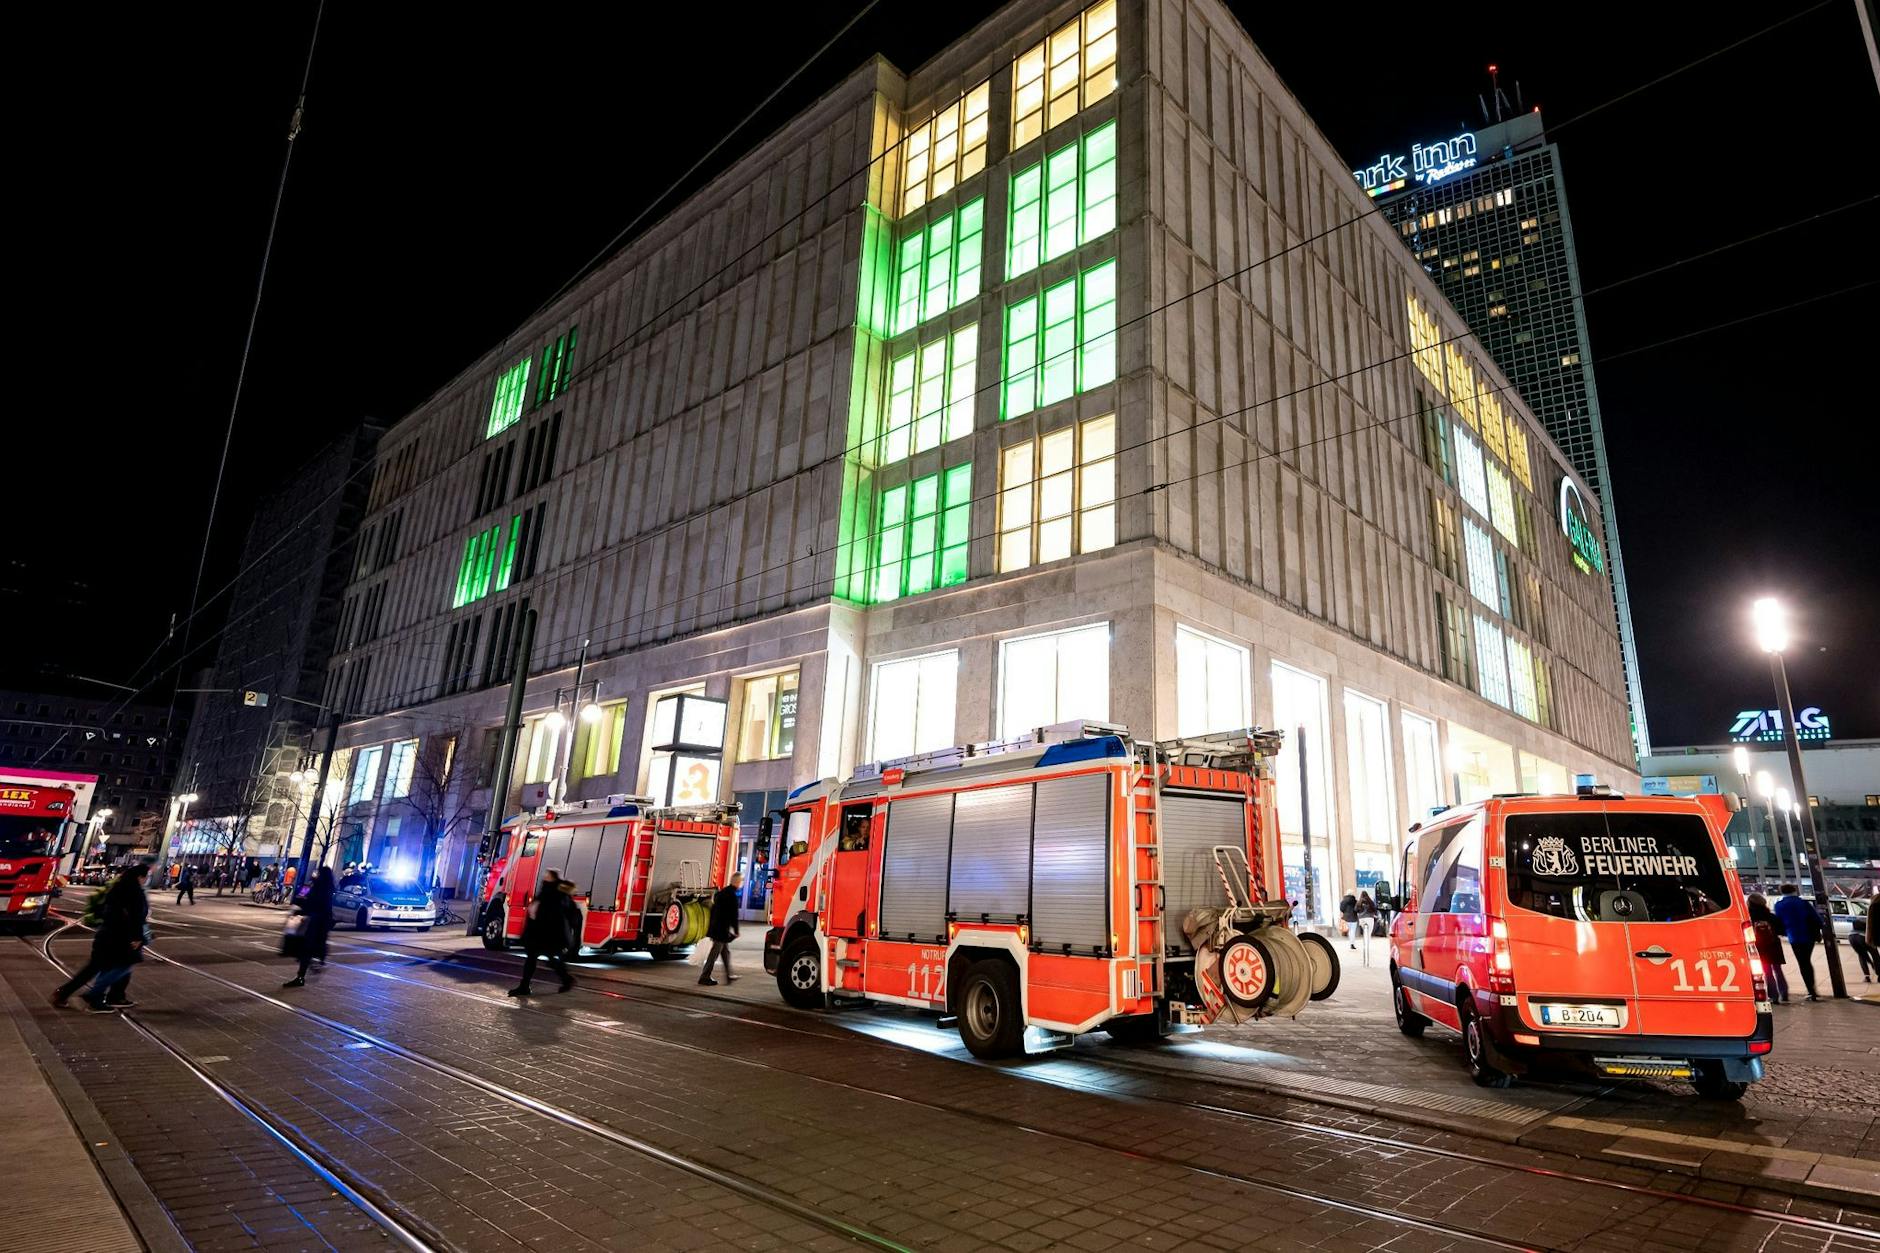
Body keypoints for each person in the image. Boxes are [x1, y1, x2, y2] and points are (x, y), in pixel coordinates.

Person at [53, 863, 150, 1012]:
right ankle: (94, 996)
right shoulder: (134, 891)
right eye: (145, 877)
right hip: (120, 936)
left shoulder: (116, 888)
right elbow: (137, 916)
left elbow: (100, 910)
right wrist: (137, 936)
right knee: (120, 965)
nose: (146, 880)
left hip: (106, 934)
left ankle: (112, 996)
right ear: (139, 877)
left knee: (99, 967)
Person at [510, 871, 577, 996]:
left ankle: (566, 979)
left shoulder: (555, 893)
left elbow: (556, 915)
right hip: (539, 933)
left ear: (553, 878)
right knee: (538, 958)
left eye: (548, 875)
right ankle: (565, 979)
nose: (545, 877)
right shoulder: (546, 891)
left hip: (546, 934)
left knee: (544, 958)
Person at [282, 866, 335, 988]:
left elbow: (302, 900)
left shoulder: (315, 886)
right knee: (309, 948)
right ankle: (307, 969)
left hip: (311, 923)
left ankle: (303, 974)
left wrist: (301, 908)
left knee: (303, 948)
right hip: (319, 924)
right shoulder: (328, 889)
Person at [1771, 884, 1824, 1002]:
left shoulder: (1779, 905)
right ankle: (1812, 990)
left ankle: (1811, 990)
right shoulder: (1803, 903)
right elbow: (1817, 919)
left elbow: (1779, 922)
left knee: (1802, 963)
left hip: (1794, 937)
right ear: (1794, 890)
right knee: (1807, 962)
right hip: (1808, 936)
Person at [699, 872, 744, 986]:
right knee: (714, 953)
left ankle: (729, 975)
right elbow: (734, 915)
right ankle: (704, 976)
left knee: (725, 952)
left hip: (716, 927)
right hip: (721, 930)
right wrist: (737, 930)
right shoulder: (732, 896)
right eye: (741, 881)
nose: (742, 883)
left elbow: (714, 910)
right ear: (738, 882)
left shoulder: (722, 892)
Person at [1746, 893, 1789, 1004]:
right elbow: (1782, 931)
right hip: (1774, 946)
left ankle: (1773, 996)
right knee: (1778, 971)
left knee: (1767, 972)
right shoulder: (1771, 916)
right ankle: (1784, 994)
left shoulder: (1750, 918)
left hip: (1760, 947)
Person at [1354, 891, 1379, 964]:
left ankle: (1364, 943)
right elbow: (1375, 909)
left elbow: (1355, 909)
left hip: (1362, 919)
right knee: (1369, 933)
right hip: (1369, 918)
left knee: (1364, 931)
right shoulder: (1370, 901)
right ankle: (1368, 944)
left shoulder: (1359, 902)